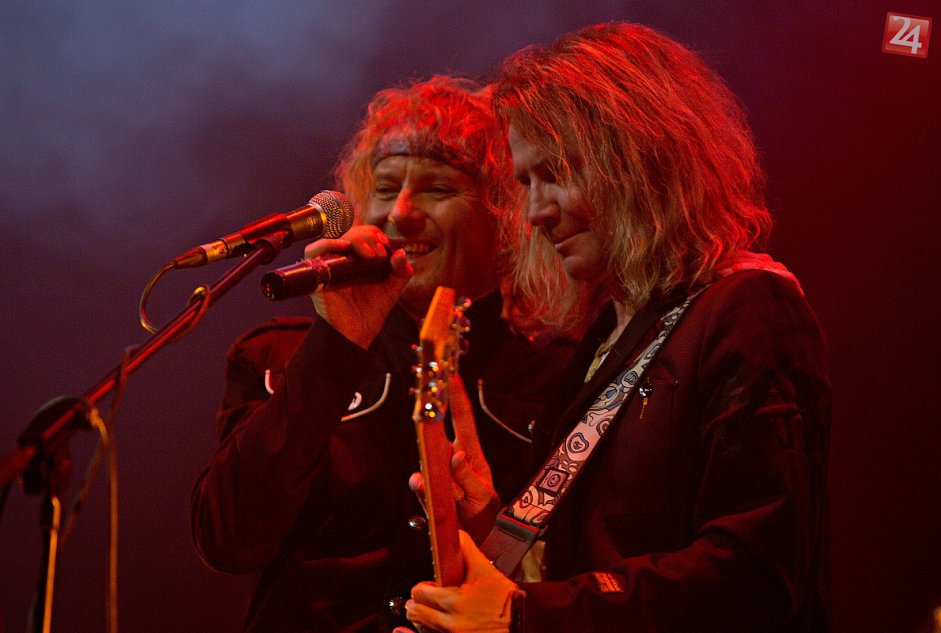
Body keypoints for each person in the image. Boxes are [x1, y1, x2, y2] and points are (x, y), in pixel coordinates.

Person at [404, 23, 831, 633]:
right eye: (525, 183)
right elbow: (599, 561)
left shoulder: (750, 308)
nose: (535, 212)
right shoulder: (606, 334)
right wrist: (488, 523)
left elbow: (753, 576)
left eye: (555, 172)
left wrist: (523, 617)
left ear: (638, 157)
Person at [190, 76, 575, 632]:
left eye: (438, 189)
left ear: (506, 214)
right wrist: (334, 345)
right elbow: (228, 541)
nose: (401, 214)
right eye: (385, 188)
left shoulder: (560, 375)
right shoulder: (274, 357)